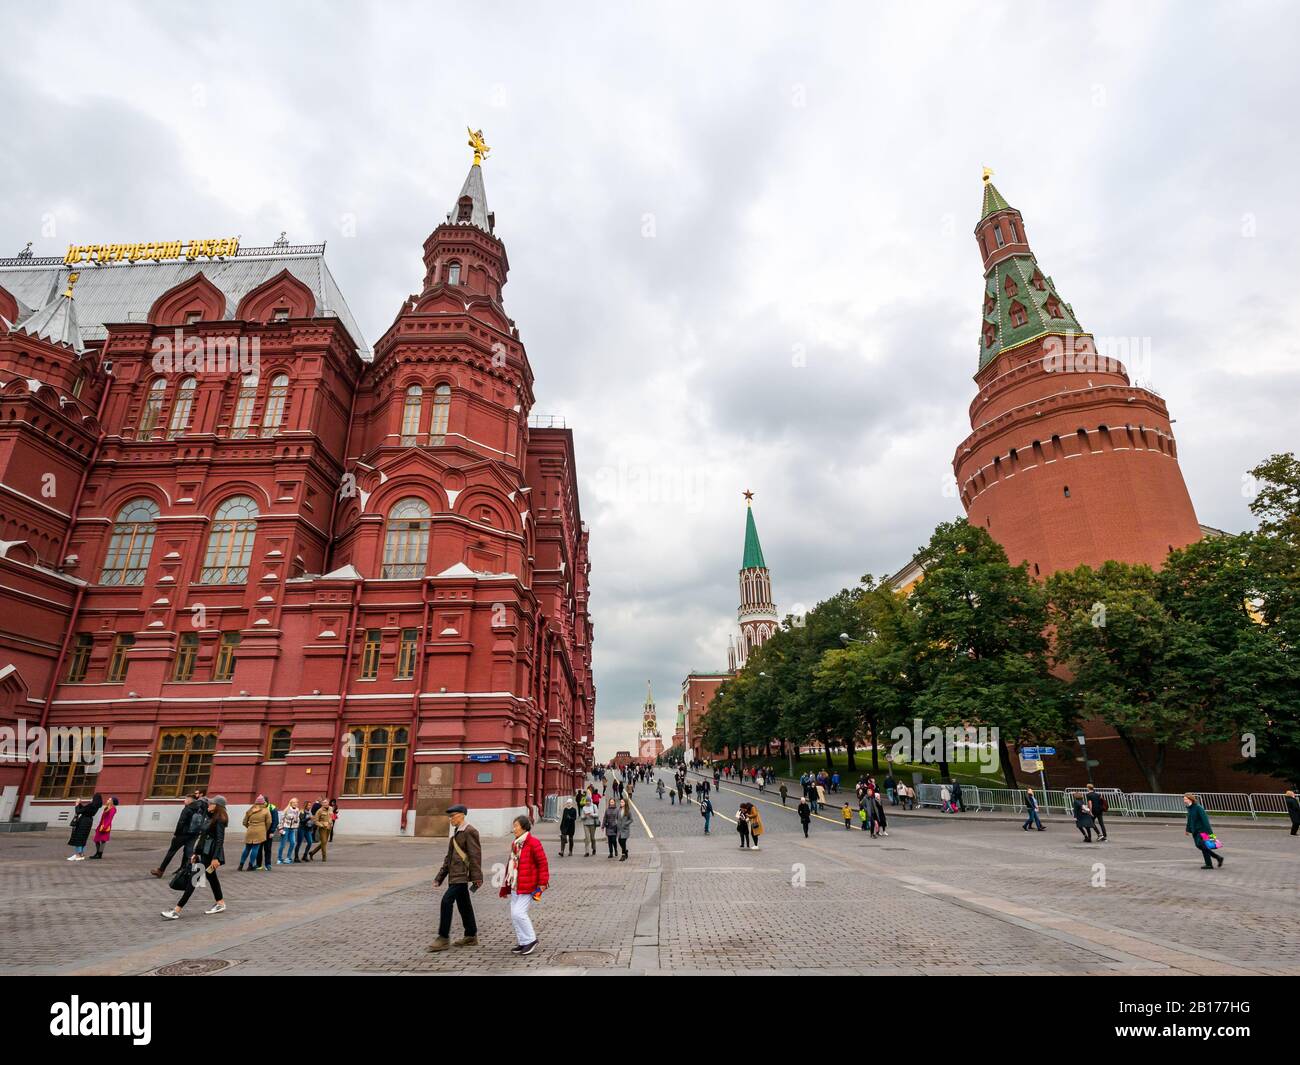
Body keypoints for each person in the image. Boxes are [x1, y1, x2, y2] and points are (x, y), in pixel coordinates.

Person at [162, 796, 228, 918]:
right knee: (212, 878)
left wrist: (216, 858)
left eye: (211, 803)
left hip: (210, 855)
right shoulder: (210, 817)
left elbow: (219, 840)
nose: (208, 805)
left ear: (217, 806)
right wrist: (196, 853)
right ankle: (220, 903)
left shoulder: (219, 820)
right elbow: (202, 837)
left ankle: (176, 910)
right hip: (203, 853)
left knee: (193, 881)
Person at [429, 804, 483, 951]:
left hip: (461, 876)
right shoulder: (456, 834)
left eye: (453, 816)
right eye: (450, 816)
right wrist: (439, 877)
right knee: (464, 905)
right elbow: (449, 858)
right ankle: (471, 935)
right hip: (455, 875)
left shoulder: (470, 831)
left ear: (462, 815)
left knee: (446, 901)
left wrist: (477, 877)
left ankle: (443, 937)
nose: (450, 819)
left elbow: (475, 856)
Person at [501, 814, 549, 956]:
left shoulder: (533, 843)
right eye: (514, 825)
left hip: (528, 885)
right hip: (516, 883)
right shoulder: (516, 843)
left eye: (516, 826)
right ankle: (523, 942)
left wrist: (542, 883)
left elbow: (543, 863)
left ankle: (531, 940)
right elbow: (512, 863)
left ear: (523, 827)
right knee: (514, 914)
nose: (513, 829)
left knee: (519, 913)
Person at [151, 789, 207, 877]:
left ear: (189, 800)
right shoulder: (200, 808)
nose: (184, 801)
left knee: (171, 852)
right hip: (194, 834)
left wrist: (177, 834)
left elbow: (181, 822)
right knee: (189, 853)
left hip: (182, 834)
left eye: (185, 799)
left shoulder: (187, 808)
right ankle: (194, 870)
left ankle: (160, 870)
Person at [1184, 793, 1224, 869]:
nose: (1184, 801)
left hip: (1202, 830)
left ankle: (1217, 858)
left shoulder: (1198, 808)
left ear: (1190, 799)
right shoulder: (1189, 808)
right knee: (1201, 846)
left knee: (1201, 844)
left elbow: (1205, 821)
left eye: (1186, 799)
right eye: (1184, 799)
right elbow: (1189, 820)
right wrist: (1187, 829)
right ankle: (1209, 863)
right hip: (1195, 831)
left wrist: (1211, 834)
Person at [66, 793, 101, 861]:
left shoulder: (91, 805)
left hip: (83, 822)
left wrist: (77, 804)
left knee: (78, 837)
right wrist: (80, 804)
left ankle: (78, 855)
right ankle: (81, 854)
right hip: (89, 821)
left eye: (92, 797)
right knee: (83, 838)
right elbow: (84, 809)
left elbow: (78, 811)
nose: (91, 798)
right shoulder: (95, 806)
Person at [240, 795, 271, 870]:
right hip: (260, 830)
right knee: (255, 848)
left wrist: (250, 826)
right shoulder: (266, 810)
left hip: (250, 829)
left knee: (247, 848)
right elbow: (269, 822)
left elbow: (244, 822)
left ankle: (241, 865)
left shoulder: (250, 809)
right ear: (263, 802)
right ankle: (250, 865)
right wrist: (265, 829)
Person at [277, 799, 301, 864]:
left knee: (293, 843)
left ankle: (288, 858)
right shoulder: (287, 810)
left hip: (292, 829)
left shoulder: (297, 810)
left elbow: (298, 819)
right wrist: (280, 828)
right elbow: (281, 819)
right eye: (294, 802)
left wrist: (296, 823)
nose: (295, 803)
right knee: (283, 844)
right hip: (285, 828)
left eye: (296, 802)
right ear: (291, 803)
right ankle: (279, 858)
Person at [261, 800, 279, 871]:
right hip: (260, 831)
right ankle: (258, 864)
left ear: (267, 802)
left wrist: (272, 831)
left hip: (269, 832)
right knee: (259, 848)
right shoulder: (258, 807)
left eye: (264, 802)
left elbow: (275, 821)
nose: (262, 803)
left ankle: (268, 864)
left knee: (267, 849)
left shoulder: (272, 808)